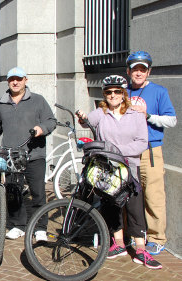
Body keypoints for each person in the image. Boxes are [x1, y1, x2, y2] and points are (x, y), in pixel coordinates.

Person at [76, 75, 162, 269]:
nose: (112, 95)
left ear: (123, 94)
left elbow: (141, 142)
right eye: (108, 92)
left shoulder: (136, 114)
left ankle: (140, 249)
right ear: (104, 95)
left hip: (129, 166)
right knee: (111, 205)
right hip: (107, 168)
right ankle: (119, 244)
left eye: (116, 92)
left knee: (134, 205)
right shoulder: (101, 113)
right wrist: (82, 117)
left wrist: (117, 151)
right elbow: (86, 122)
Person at [0, 66, 56, 242]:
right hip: (11, 156)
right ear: (8, 81)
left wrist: (42, 128)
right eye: (12, 79)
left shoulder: (38, 100)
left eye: (19, 79)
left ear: (25, 80)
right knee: (13, 192)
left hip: (34, 154)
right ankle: (18, 225)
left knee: (38, 193)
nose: (15, 82)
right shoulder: (2, 103)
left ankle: (40, 228)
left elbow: (51, 121)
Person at [125, 51, 177, 255]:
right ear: (128, 71)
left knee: (153, 196)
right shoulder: (122, 91)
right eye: (135, 69)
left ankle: (156, 237)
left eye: (142, 69)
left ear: (149, 71)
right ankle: (133, 233)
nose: (138, 73)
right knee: (127, 195)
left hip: (150, 151)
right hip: (127, 152)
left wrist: (148, 116)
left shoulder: (159, 92)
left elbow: (171, 120)